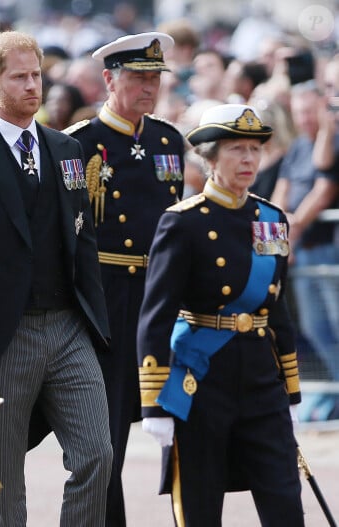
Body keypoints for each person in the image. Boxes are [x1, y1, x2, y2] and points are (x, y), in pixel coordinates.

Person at [0, 31, 113, 527]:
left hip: (69, 327)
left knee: (97, 454)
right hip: (1, 337)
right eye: (20, 77)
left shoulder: (67, 148)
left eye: (37, 75)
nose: (34, 86)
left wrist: (97, 324)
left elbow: (85, 240)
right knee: (2, 484)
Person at [137, 103, 304, 526]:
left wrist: (292, 390)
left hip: (262, 382)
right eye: (235, 149)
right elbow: (156, 315)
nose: (248, 160)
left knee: (285, 501)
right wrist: (155, 404)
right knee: (200, 504)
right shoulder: (183, 222)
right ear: (209, 157)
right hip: (202, 380)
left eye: (254, 149)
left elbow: (275, 307)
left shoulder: (271, 219)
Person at [65, 31, 185, 526]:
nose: (148, 87)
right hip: (109, 300)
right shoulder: (80, 143)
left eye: (154, 77)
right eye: (137, 77)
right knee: (106, 436)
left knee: (182, 422)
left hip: (160, 297)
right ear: (109, 80)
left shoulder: (166, 139)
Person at [271, 80, 339, 419]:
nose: (305, 118)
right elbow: (282, 190)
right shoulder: (297, 147)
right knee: (315, 327)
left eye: (310, 111)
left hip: (325, 248)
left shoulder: (332, 141)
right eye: (299, 112)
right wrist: (280, 227)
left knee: (336, 324)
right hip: (301, 250)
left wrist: (291, 230)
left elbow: (325, 191)